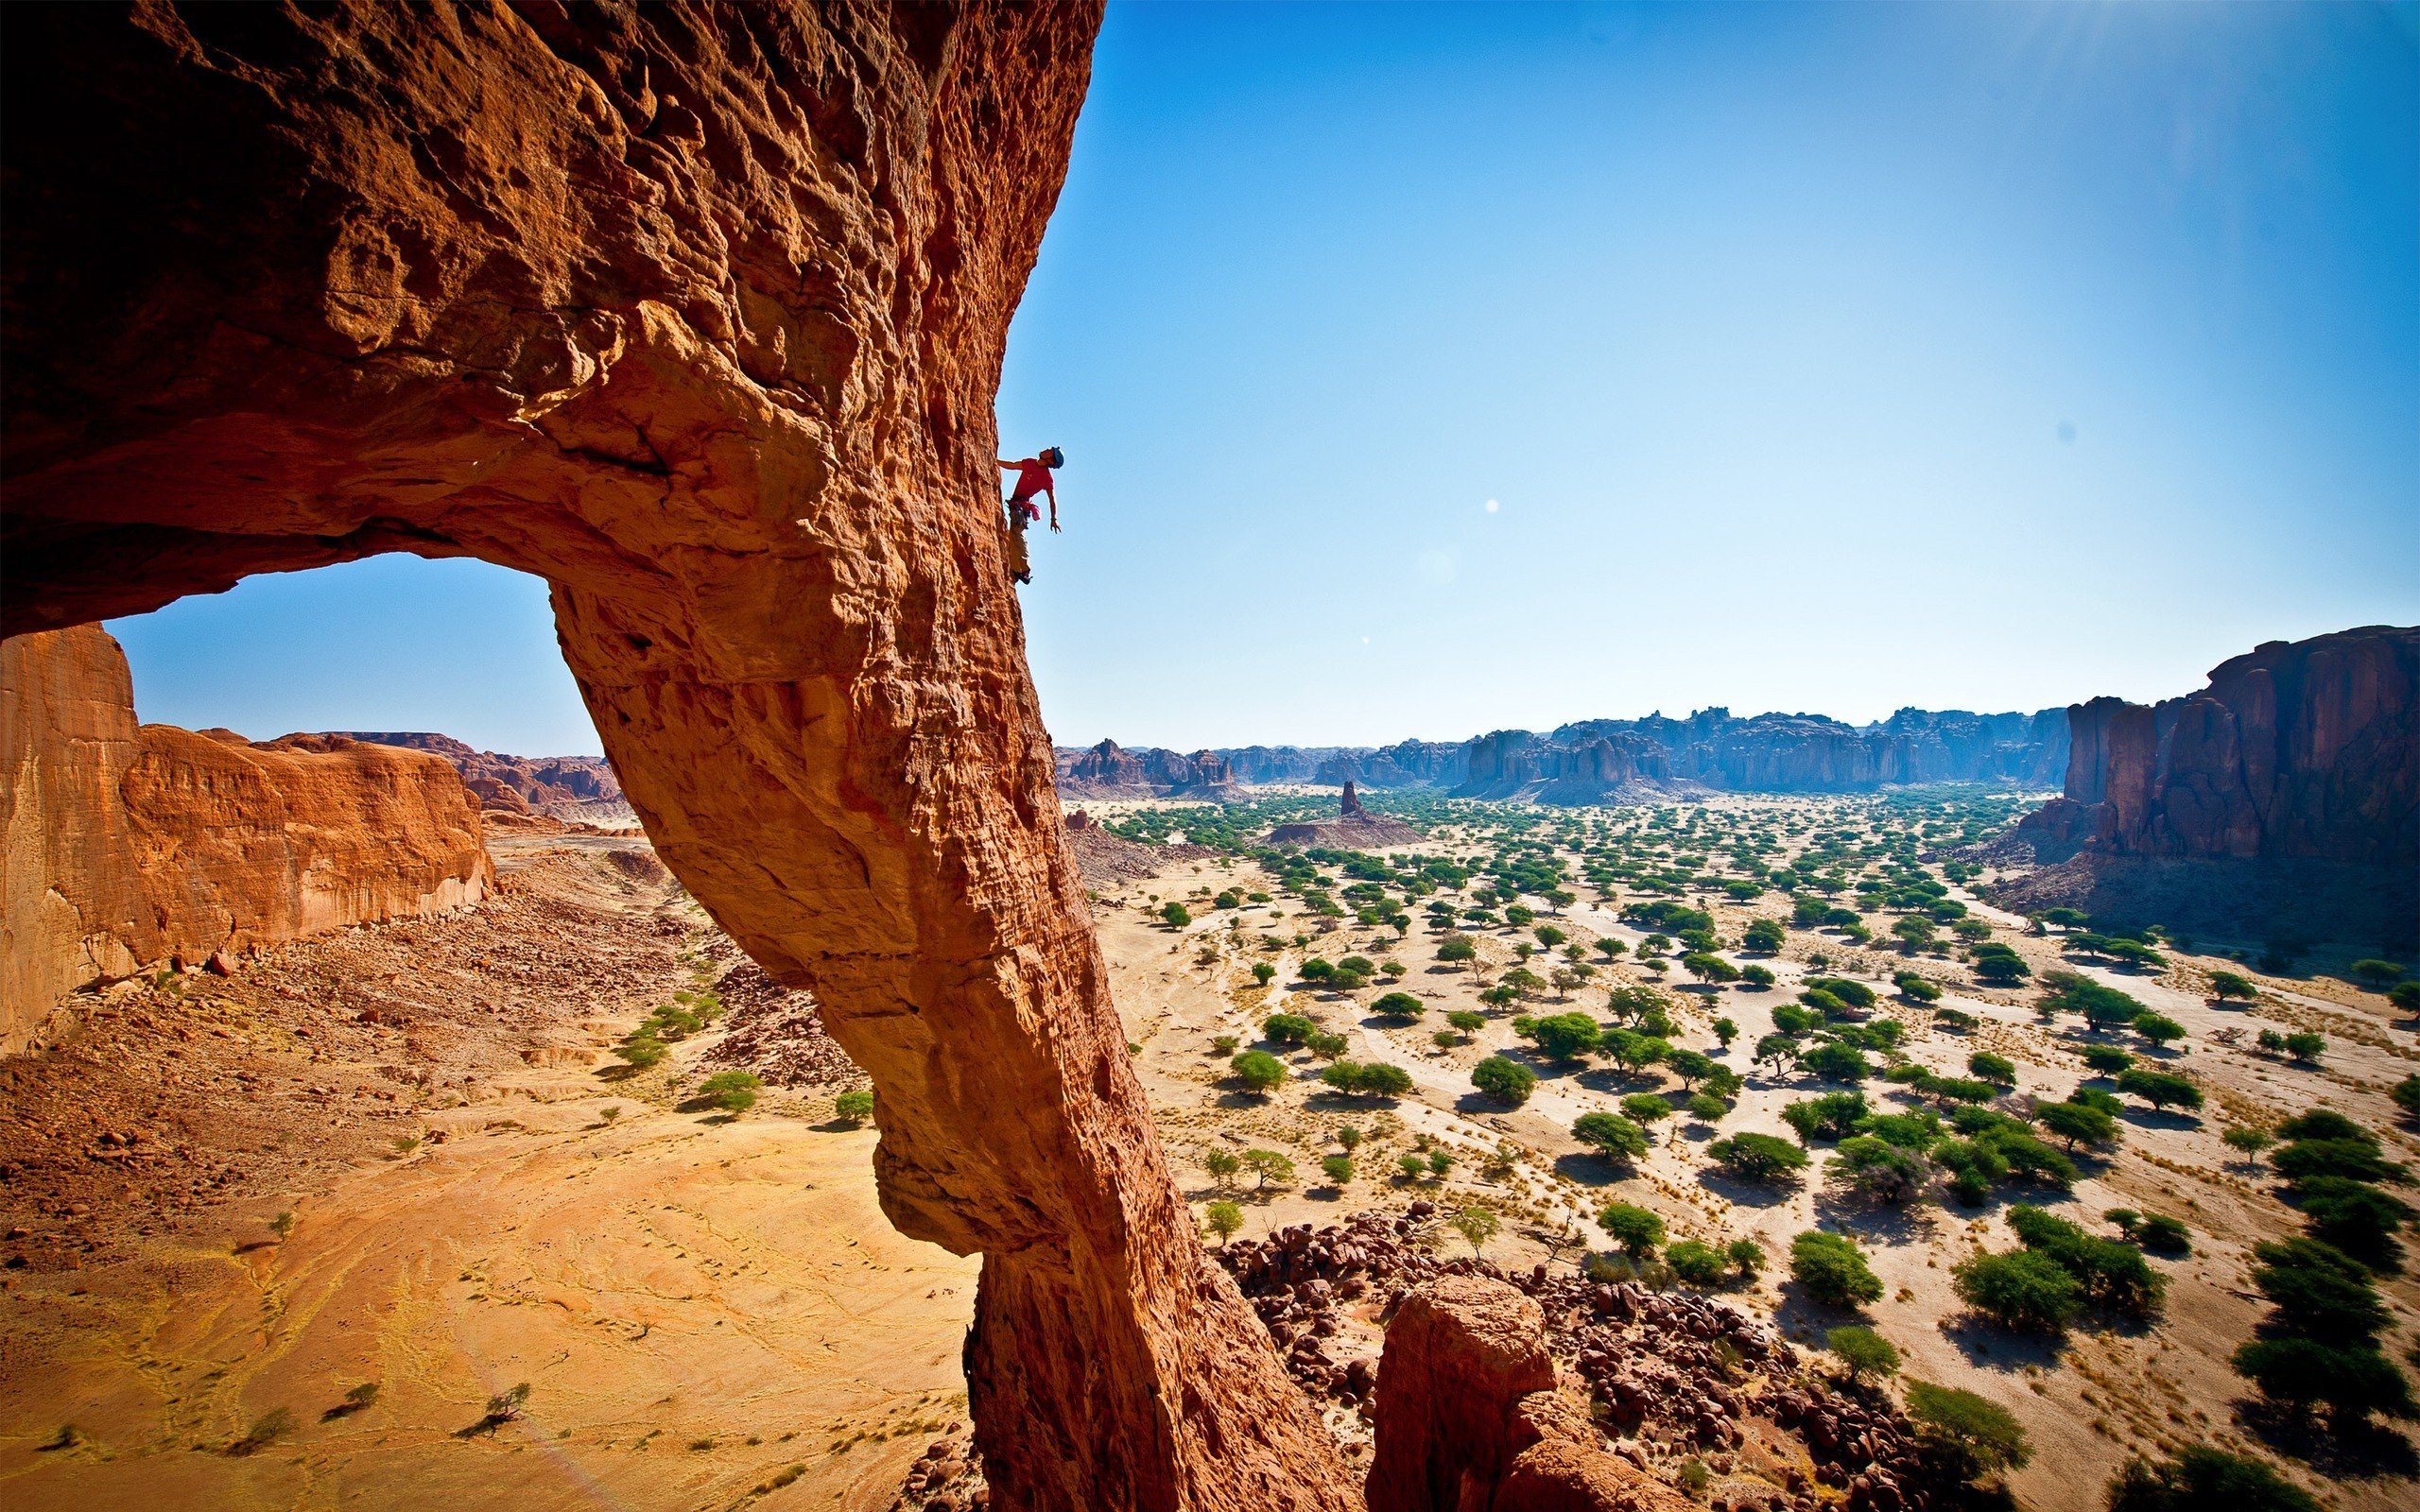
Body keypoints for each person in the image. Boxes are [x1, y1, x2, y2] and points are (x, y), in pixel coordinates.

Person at [996, 447, 1063, 584]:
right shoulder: (1030, 462)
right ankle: (1016, 569)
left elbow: (1052, 499)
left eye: (1050, 451)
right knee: (1012, 536)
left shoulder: (1047, 477)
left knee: (1017, 534)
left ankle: (1025, 569)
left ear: (1051, 460)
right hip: (1016, 504)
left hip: (1022, 506)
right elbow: (1012, 465)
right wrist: (995, 461)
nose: (1047, 449)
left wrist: (1054, 518)